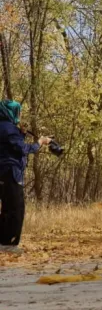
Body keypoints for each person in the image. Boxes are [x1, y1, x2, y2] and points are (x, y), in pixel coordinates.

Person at [0, 100, 50, 251]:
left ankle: (3, 242)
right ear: (12, 112)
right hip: (10, 173)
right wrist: (40, 142)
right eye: (18, 112)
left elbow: (11, 146)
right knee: (16, 209)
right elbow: (24, 150)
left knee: (6, 209)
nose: (20, 115)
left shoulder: (5, 128)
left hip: (3, 173)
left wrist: (20, 134)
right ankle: (8, 244)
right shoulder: (9, 129)